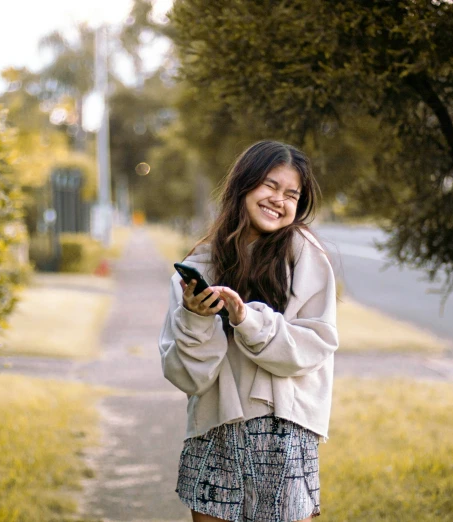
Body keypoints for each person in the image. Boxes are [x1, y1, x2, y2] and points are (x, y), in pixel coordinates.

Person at [158, 140, 339, 522]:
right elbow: (189, 376)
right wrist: (196, 318)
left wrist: (245, 319)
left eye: (292, 194)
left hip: (284, 430)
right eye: (271, 186)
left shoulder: (304, 253)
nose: (280, 200)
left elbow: (313, 347)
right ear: (244, 185)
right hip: (215, 429)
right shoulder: (201, 263)